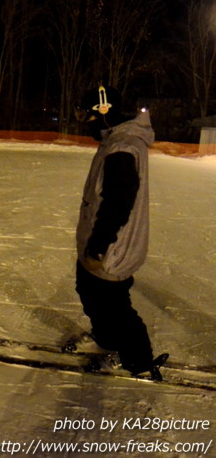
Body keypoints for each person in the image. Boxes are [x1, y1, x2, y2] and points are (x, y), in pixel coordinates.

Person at [73, 85, 166, 380]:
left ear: (103, 113)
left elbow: (119, 203)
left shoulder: (122, 148)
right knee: (89, 292)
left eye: (87, 115)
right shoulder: (117, 142)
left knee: (113, 307)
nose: (84, 122)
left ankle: (138, 361)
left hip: (113, 246)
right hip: (104, 242)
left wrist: (99, 244)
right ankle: (107, 341)